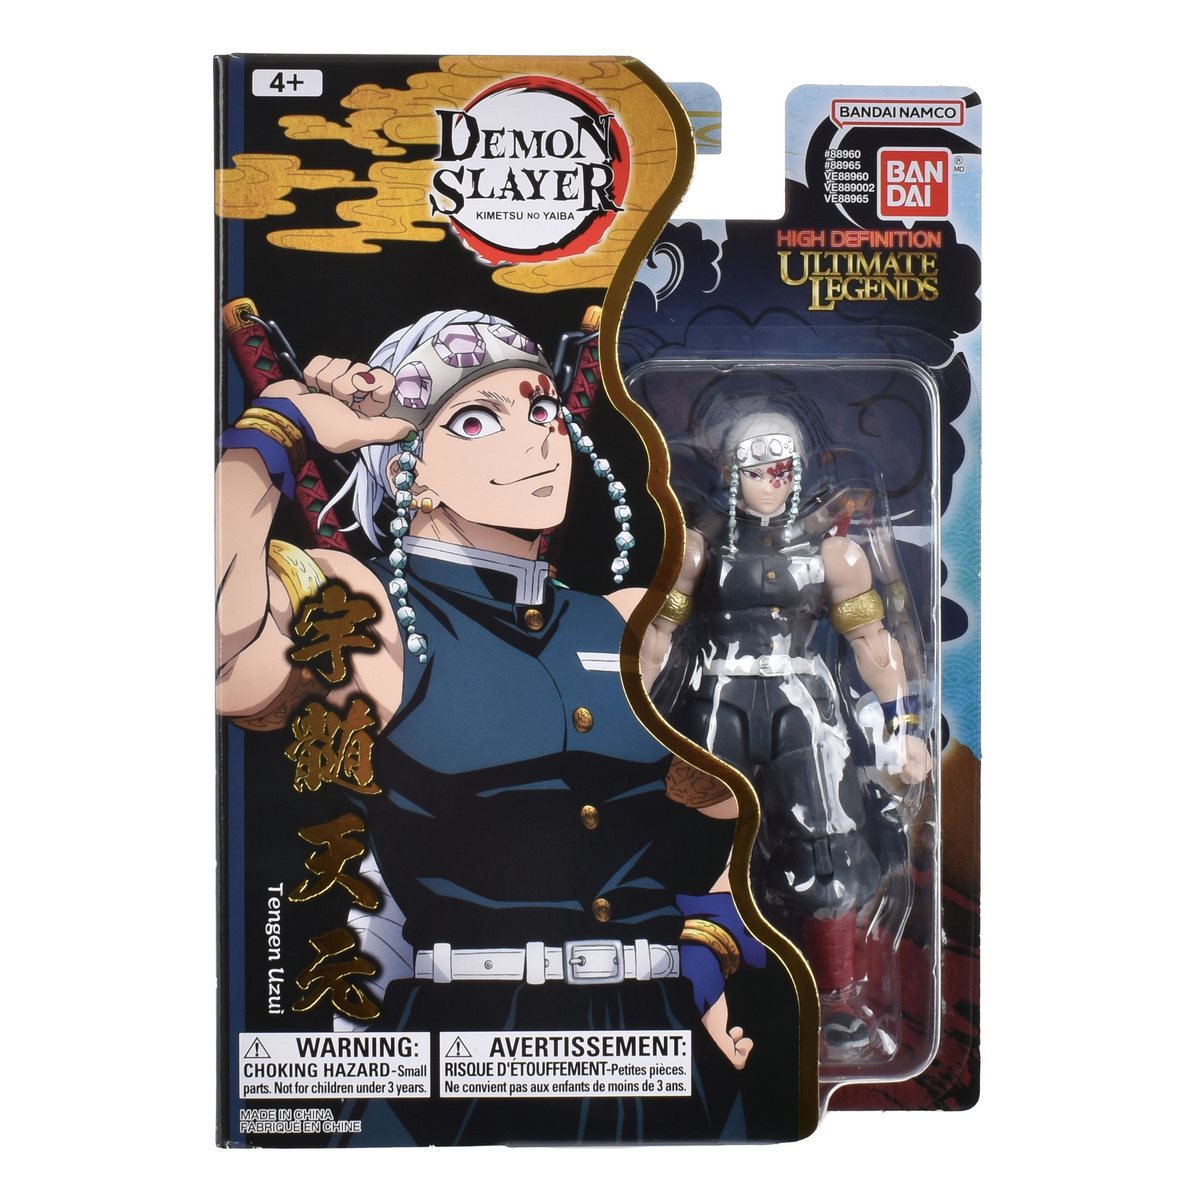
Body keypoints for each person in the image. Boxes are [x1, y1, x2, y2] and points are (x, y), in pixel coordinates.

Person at [217, 311, 764, 1143]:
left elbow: (748, 812)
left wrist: (710, 949)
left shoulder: (624, 619)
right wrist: (278, 428)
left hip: (666, 1055)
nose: (538, 438)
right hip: (467, 1062)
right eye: (476, 421)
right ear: (408, 466)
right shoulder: (369, 613)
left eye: (543, 408)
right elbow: (215, 643)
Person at [644, 408, 932, 1059]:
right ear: (731, 472)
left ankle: (835, 998)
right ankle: (708, 991)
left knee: (826, 841)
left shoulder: (837, 555)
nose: (768, 481)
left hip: (804, 703)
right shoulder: (698, 550)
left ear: (799, 471)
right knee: (701, 844)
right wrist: (630, 712)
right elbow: (656, 635)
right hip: (719, 697)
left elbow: (873, 643)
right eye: (755, 469)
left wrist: (903, 728)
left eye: (780, 468)